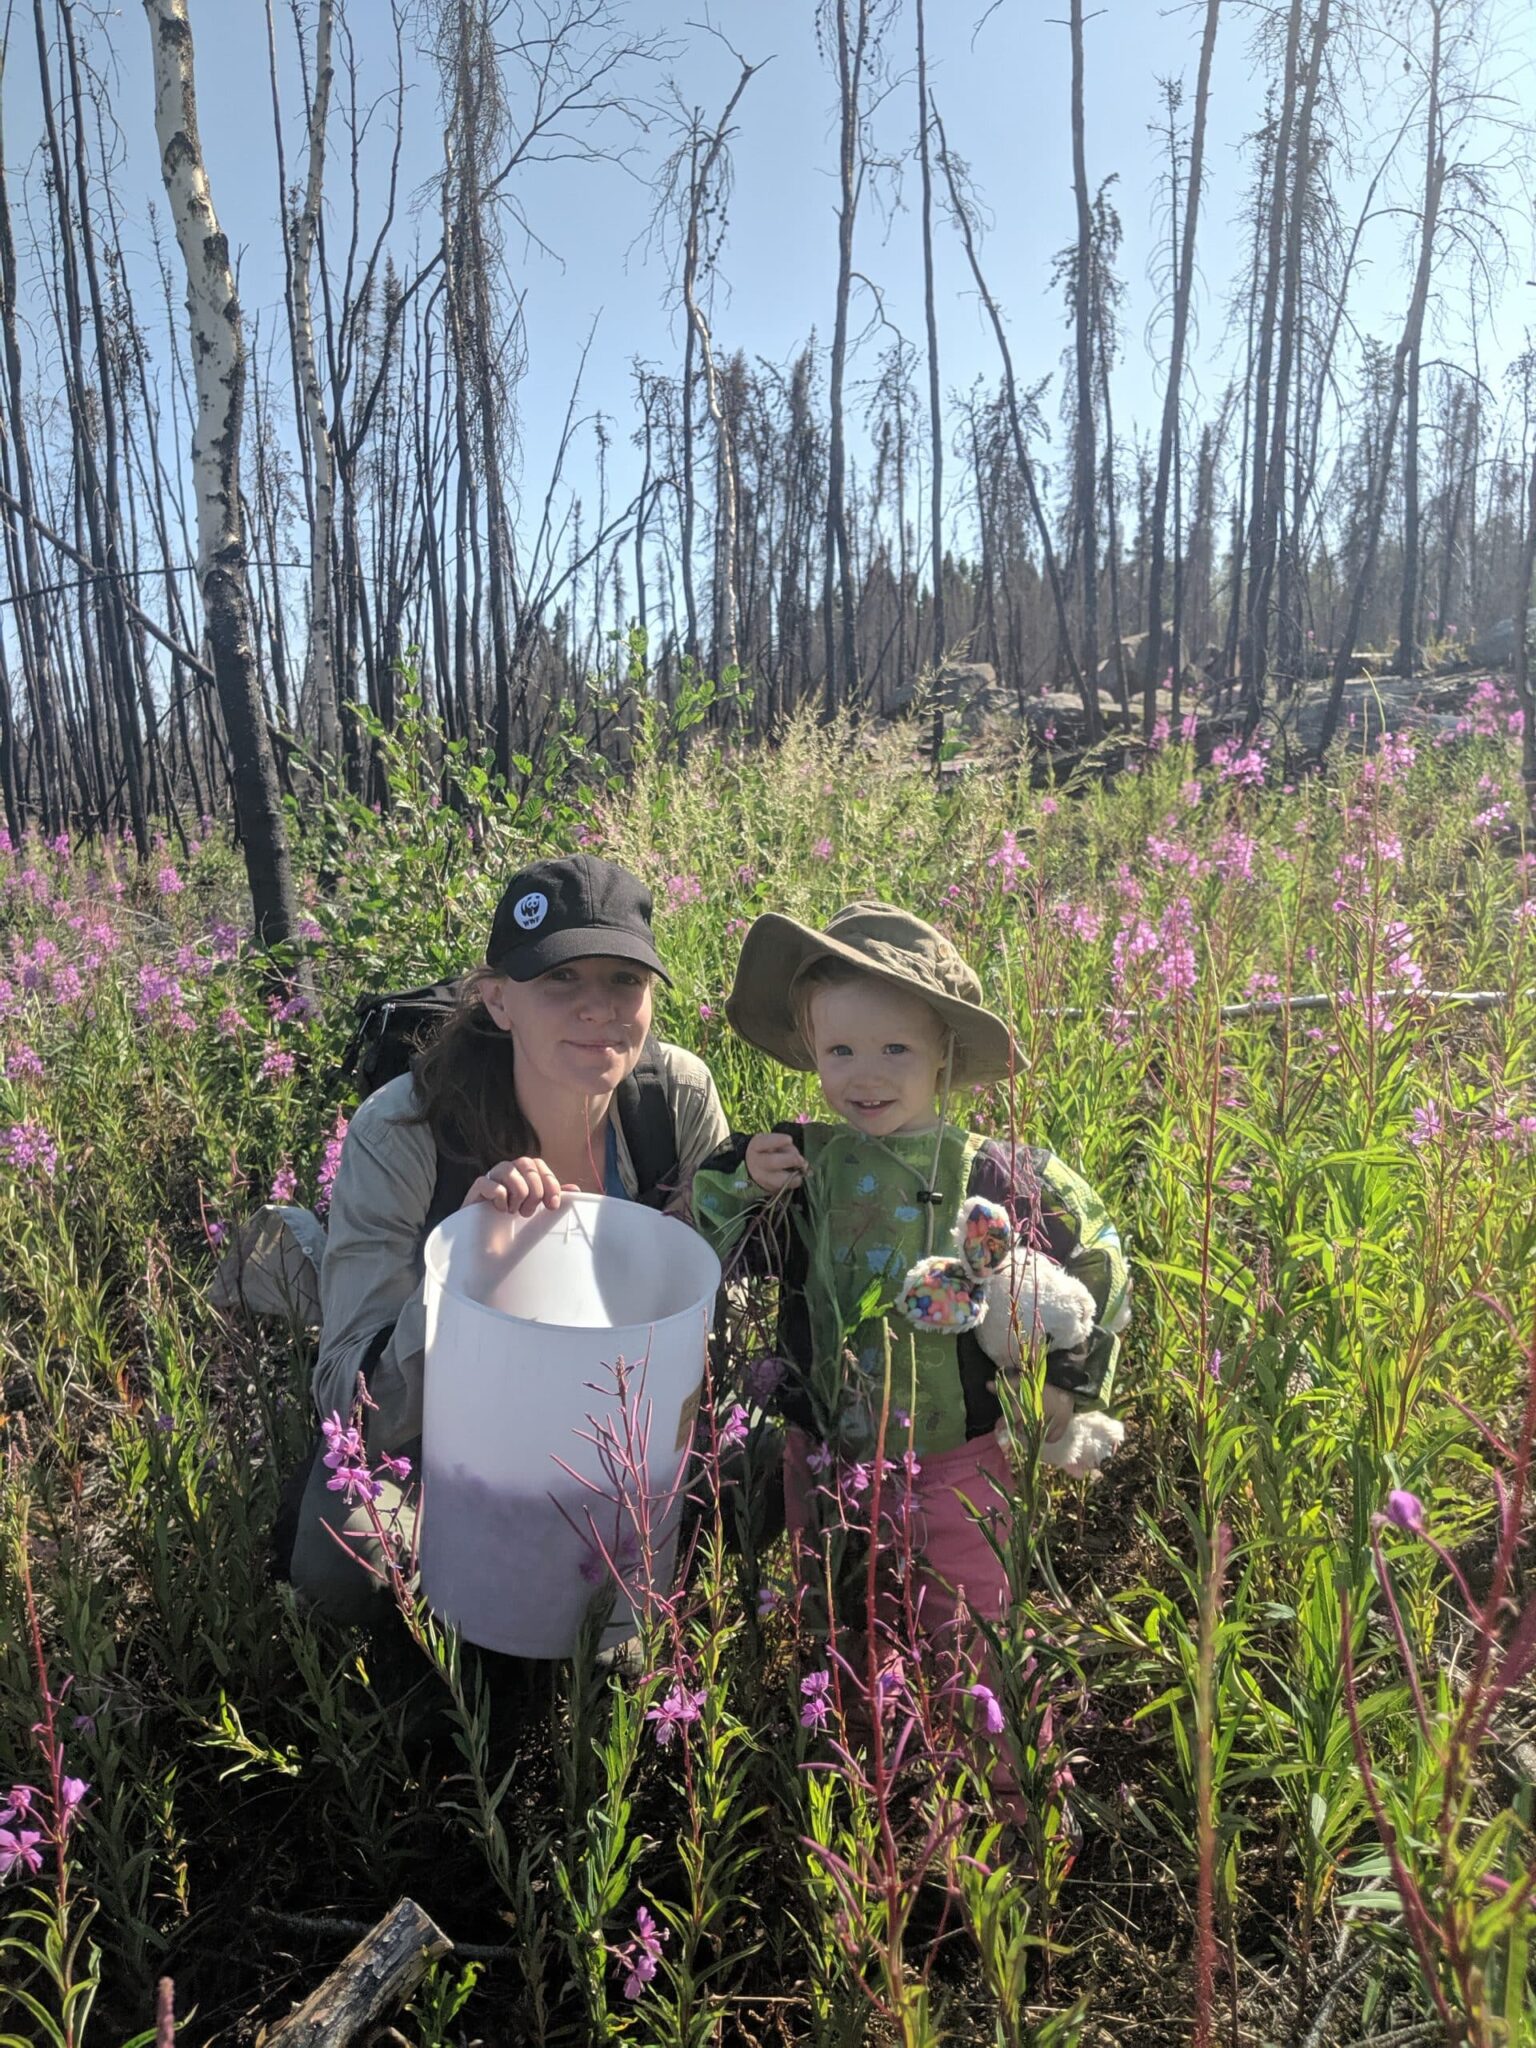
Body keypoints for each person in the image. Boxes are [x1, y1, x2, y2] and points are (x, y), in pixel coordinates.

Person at [283, 854, 730, 1628]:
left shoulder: (675, 1101)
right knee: (347, 1552)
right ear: (497, 1000)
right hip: (449, 1430)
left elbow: (716, 1318)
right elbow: (351, 1402)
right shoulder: (403, 1131)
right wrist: (463, 1279)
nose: (598, 1009)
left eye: (624, 980)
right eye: (560, 980)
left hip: (619, 1430)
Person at [691, 902, 1131, 1684]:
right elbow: (700, 1230)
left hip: (957, 1464)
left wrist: (1069, 1384)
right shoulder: (794, 1159)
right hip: (822, 1459)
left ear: (943, 1055)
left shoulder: (994, 1170)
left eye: (896, 1046)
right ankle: (858, 1779)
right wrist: (742, 1183)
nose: (866, 1073)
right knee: (838, 1630)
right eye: (840, 1048)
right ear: (811, 1052)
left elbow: (1099, 1255)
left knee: (971, 1635)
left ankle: (998, 1792)